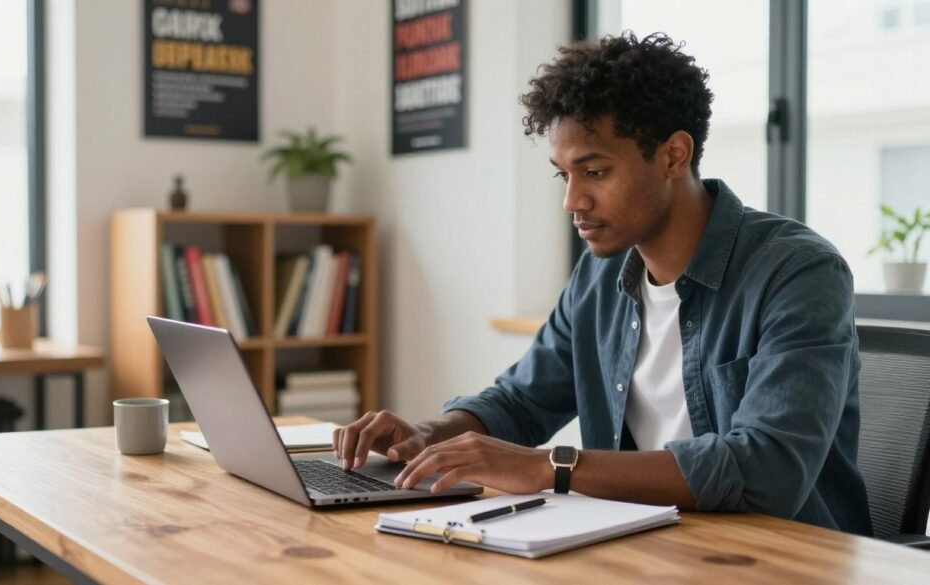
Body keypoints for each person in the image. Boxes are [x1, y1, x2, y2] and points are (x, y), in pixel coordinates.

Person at [333, 32, 872, 534]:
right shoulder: (600, 274)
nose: (573, 202)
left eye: (595, 172)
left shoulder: (798, 273)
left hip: (785, 558)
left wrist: (548, 467)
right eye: (563, 175)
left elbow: (767, 470)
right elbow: (521, 402)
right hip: (649, 547)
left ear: (673, 155)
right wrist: (430, 436)